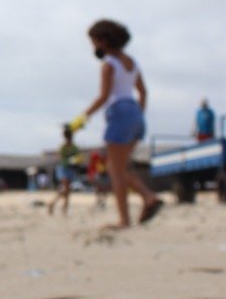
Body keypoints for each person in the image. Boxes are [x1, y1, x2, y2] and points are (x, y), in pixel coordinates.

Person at [69, 19, 163, 228]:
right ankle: (147, 199)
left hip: (119, 113)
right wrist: (138, 114)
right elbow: (143, 92)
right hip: (135, 113)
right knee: (116, 168)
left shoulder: (109, 64)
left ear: (102, 41)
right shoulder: (132, 62)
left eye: (93, 42)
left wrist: (81, 119)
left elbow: (103, 96)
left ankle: (128, 216)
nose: (92, 47)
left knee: (115, 171)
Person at [48, 124, 81, 217]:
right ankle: (58, 206)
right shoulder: (62, 147)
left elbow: (78, 157)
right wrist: (71, 160)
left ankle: (59, 207)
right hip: (64, 168)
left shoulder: (74, 147)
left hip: (71, 169)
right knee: (66, 188)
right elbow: (61, 158)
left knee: (67, 190)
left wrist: (75, 161)